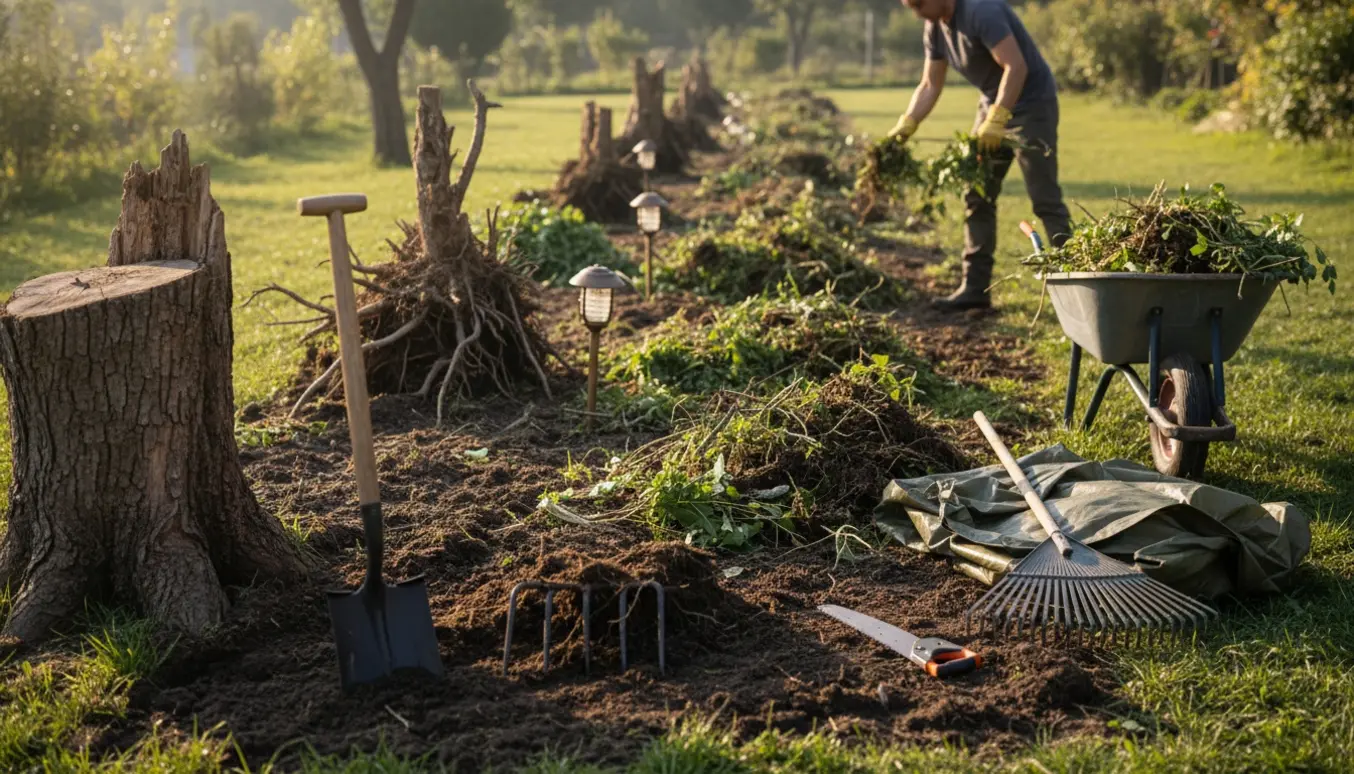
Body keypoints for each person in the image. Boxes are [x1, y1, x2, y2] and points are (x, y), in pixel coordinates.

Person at [892, 0, 1071, 310]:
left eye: (919, 3)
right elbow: (930, 84)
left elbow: (1016, 66)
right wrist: (906, 126)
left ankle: (1075, 282)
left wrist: (999, 117)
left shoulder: (980, 11)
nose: (917, 12)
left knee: (1044, 198)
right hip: (991, 106)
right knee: (977, 195)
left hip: (1032, 105)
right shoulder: (934, 28)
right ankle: (975, 288)